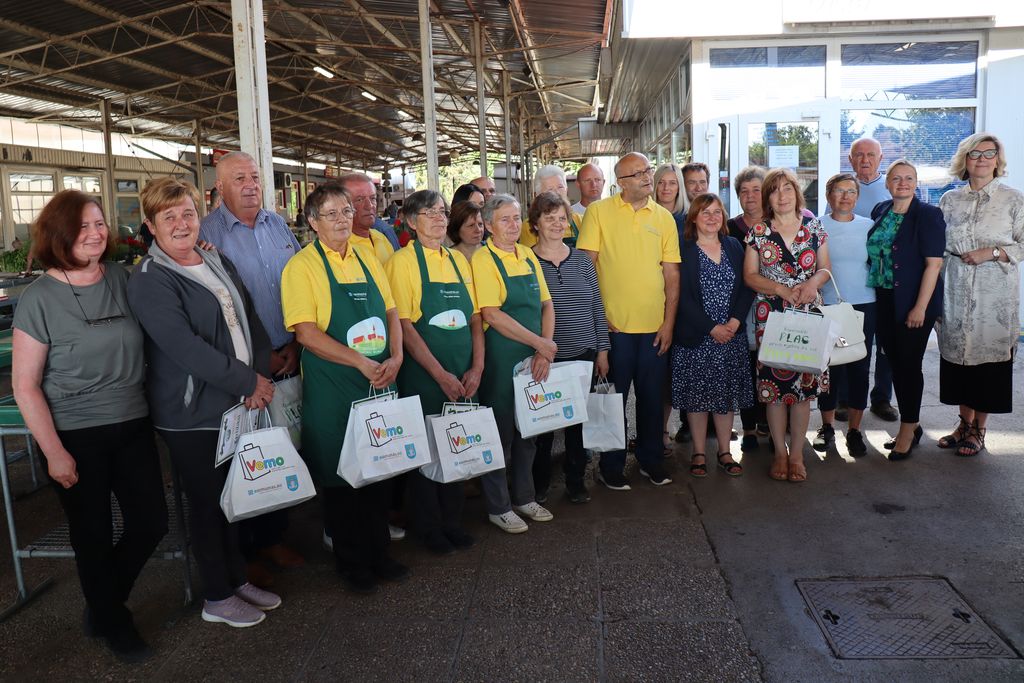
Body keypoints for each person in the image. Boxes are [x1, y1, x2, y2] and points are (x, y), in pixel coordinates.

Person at [12, 191, 167, 660]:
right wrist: (53, 451)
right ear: (58, 233)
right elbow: (25, 385)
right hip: (75, 433)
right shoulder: (38, 298)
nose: (95, 233)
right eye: (82, 226)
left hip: (133, 422)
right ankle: (116, 623)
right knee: (92, 533)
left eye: (99, 223)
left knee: (151, 522)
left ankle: (102, 604)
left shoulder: (121, 278)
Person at [128, 177, 280, 627]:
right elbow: (185, 348)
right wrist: (249, 381)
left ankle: (235, 578)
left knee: (234, 497)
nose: (181, 224)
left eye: (188, 213)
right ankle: (216, 595)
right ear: (151, 226)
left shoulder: (213, 258)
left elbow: (248, 317)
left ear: (200, 216)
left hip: (237, 402)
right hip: (191, 413)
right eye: (168, 217)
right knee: (209, 502)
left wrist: (263, 371)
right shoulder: (150, 279)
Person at [281, 184, 407, 593]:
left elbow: (391, 311)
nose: (341, 219)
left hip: (379, 376)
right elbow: (306, 333)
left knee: (379, 467)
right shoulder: (301, 267)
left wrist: (397, 357)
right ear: (313, 222)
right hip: (336, 384)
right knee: (342, 477)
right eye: (331, 214)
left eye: (346, 211)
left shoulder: (368, 254)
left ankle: (381, 554)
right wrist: (359, 361)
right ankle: (352, 564)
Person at [198, 151, 304, 584]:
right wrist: (261, 360)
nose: (250, 185)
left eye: (255, 177)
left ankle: (275, 536)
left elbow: (300, 280)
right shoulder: (206, 235)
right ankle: (247, 550)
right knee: (247, 456)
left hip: (290, 353)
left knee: (284, 446)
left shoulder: (277, 225)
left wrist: (297, 342)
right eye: (239, 178)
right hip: (244, 367)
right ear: (219, 188)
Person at [385, 190, 482, 554]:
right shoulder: (402, 263)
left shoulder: (457, 261)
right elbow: (406, 328)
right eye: (430, 213)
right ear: (411, 221)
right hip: (426, 375)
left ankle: (452, 522)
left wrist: (477, 366)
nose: (440, 219)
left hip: (463, 371)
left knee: (456, 445)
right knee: (425, 451)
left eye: (442, 212)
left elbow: (474, 319)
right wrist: (439, 374)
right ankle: (428, 527)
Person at [579, 152, 681, 490]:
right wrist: (598, 317)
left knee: (652, 401)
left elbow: (671, 275)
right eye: (637, 174)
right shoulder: (599, 212)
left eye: (647, 170)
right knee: (613, 400)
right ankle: (611, 466)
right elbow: (587, 267)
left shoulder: (664, 217)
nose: (646, 177)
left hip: (654, 328)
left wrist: (668, 323)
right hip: (614, 330)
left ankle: (651, 461)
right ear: (621, 182)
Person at [471, 193, 556, 532]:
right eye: (504, 219)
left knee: (529, 429)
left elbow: (546, 305)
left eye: (516, 217)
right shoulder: (483, 260)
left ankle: (525, 497)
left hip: (534, 354)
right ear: (489, 225)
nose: (512, 225)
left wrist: (543, 348)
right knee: (500, 433)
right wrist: (540, 343)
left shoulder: (526, 255)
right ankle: (498, 505)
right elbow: (492, 313)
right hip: (502, 356)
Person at [743, 168, 832, 483]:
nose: (781, 195)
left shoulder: (814, 226)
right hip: (772, 313)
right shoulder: (759, 232)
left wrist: (812, 284)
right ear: (768, 197)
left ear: (797, 193)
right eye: (775, 190)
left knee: (804, 391)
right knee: (774, 391)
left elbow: (825, 269)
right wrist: (779, 288)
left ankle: (797, 454)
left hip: (808, 311)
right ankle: (779, 453)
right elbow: (750, 276)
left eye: (787, 189)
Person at [938, 133, 1024, 456]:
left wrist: (993, 252)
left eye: (990, 153)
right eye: (975, 154)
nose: (983, 159)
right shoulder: (950, 200)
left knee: (987, 362)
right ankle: (963, 423)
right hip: (956, 289)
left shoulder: (1014, 200)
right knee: (959, 359)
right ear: (965, 160)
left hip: (994, 294)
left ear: (998, 161)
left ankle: (979, 429)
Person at [528, 191, 610, 504]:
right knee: (544, 426)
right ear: (535, 223)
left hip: (584, 354)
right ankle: (539, 484)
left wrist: (602, 350)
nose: (557, 224)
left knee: (577, 422)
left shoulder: (581, 260)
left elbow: (596, 306)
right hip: (547, 358)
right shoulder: (526, 260)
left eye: (562, 218)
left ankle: (576, 481)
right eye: (549, 218)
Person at [866, 160, 945, 461]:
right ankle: (913, 424)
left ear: (916, 182)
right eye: (896, 178)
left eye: (909, 178)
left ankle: (907, 430)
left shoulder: (927, 215)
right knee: (896, 363)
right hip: (884, 299)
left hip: (913, 302)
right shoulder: (881, 210)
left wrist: (920, 308)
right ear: (887, 183)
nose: (902, 183)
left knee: (908, 365)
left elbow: (933, 265)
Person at [673, 193, 753, 478]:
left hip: (730, 337)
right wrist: (711, 327)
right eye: (705, 212)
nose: (711, 217)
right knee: (697, 399)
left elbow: (747, 286)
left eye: (717, 212)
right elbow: (680, 297)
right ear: (693, 217)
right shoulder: (684, 250)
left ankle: (724, 451)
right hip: (697, 337)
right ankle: (698, 451)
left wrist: (733, 322)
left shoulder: (733, 246)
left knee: (725, 397)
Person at [812, 174, 877, 457]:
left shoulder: (868, 227)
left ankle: (854, 430)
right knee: (829, 370)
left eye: (851, 191)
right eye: (840, 191)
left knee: (859, 370)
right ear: (829, 195)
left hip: (864, 305)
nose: (846, 196)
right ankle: (826, 428)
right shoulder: (815, 226)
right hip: (826, 305)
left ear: (857, 197)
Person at [848, 137, 898, 422]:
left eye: (870, 155)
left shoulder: (891, 189)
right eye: (859, 155)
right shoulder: (844, 187)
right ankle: (845, 398)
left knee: (885, 344)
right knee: (849, 340)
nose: (864, 160)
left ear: (880, 159)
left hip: (885, 280)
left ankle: (881, 398)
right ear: (850, 159)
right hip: (853, 281)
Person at [727, 166, 768, 451]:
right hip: (740, 307)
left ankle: (771, 423)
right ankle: (750, 428)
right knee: (746, 368)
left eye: (756, 190)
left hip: (773, 305)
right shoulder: (729, 228)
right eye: (744, 191)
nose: (750, 196)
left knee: (772, 364)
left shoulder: (778, 224)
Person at [519, 165, 583, 248]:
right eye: (550, 189)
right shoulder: (529, 225)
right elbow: (529, 258)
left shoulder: (579, 220)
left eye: (560, 187)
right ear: (537, 195)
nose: (556, 193)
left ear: (566, 190)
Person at [340, 173, 396, 264]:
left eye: (373, 198)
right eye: (359, 199)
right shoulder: (341, 247)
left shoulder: (381, 237)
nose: (369, 206)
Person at [654, 163, 688, 239]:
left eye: (672, 183)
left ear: (679, 187)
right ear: (655, 185)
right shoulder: (646, 215)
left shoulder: (688, 219)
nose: (666, 188)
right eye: (661, 182)